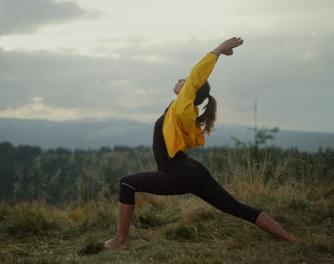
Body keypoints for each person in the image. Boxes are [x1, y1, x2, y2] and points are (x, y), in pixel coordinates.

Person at [104, 37, 296, 249]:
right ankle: (291, 240)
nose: (181, 79)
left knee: (126, 183)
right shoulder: (183, 108)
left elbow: (197, 75)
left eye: (185, 80)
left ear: (191, 91)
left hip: (178, 173)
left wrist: (218, 50)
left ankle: (121, 240)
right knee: (234, 207)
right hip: (192, 170)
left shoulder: (185, 107)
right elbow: (194, 83)